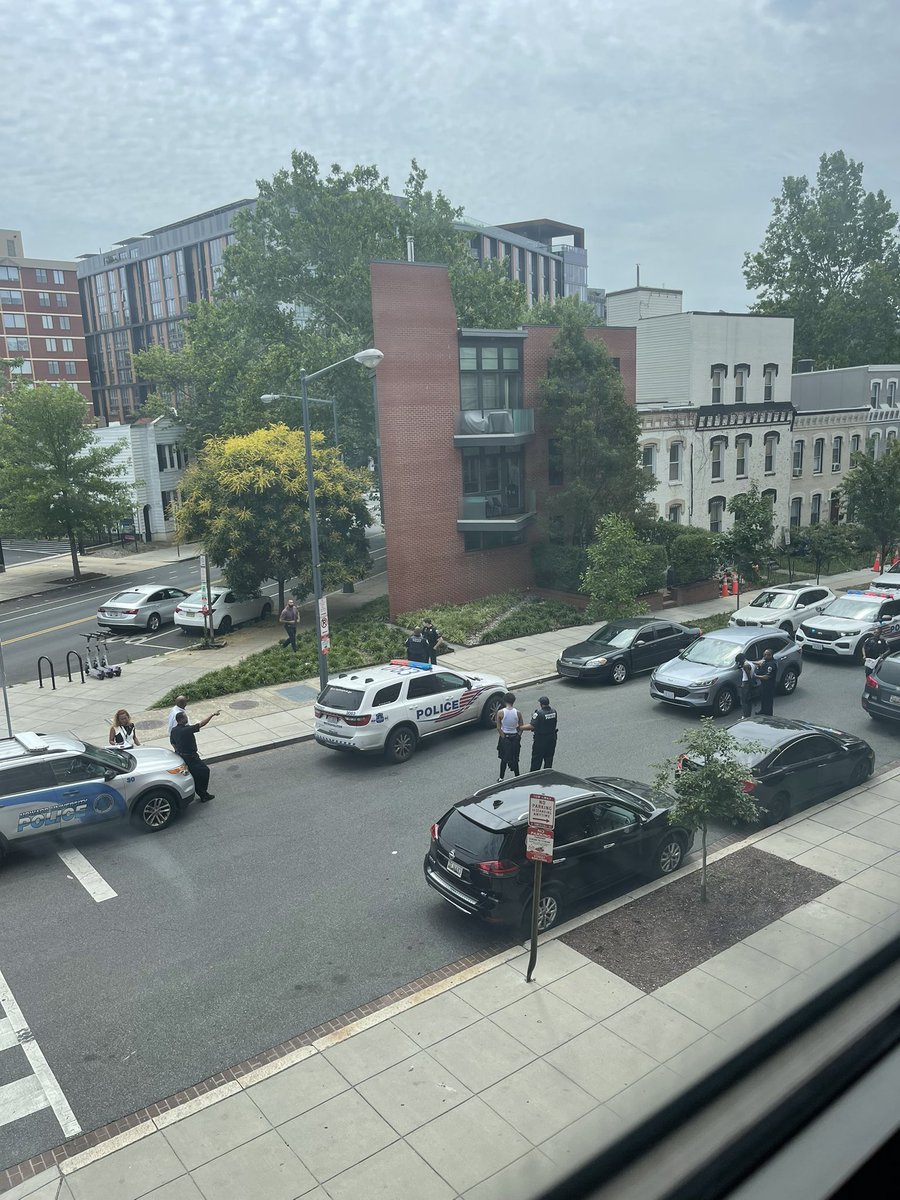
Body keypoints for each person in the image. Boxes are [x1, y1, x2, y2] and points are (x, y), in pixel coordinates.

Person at [170, 709, 220, 802]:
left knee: (194, 774)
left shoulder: (174, 730)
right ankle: (203, 794)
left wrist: (178, 751)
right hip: (191, 757)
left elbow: (172, 743)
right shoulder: (187, 730)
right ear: (180, 719)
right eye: (185, 717)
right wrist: (212, 715)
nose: (187, 718)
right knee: (204, 771)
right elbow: (201, 724)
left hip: (182, 756)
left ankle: (200, 792)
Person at [495, 693, 524, 781]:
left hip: (505, 737)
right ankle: (517, 776)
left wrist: (503, 737)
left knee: (504, 758)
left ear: (504, 700)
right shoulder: (518, 713)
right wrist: (518, 736)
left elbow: (498, 727)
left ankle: (501, 777)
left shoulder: (500, 713)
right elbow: (521, 726)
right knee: (515, 757)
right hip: (515, 737)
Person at [526, 695, 558, 771]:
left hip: (541, 740)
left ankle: (534, 776)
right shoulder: (554, 711)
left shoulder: (539, 713)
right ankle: (547, 776)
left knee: (536, 759)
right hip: (552, 738)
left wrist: (520, 727)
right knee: (549, 758)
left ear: (541, 704)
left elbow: (532, 726)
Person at [753, 649, 777, 716]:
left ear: (771, 655)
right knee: (763, 700)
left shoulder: (771, 665)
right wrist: (751, 662)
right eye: (764, 654)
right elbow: (758, 662)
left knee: (768, 701)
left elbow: (766, 677)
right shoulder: (765, 661)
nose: (765, 656)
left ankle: (768, 715)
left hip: (769, 686)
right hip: (763, 685)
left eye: (767, 655)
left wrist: (755, 676)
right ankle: (763, 711)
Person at [735, 654, 755, 719]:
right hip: (748, 683)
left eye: (738, 661)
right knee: (749, 700)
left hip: (746, 684)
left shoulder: (745, 665)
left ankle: (746, 716)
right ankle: (748, 715)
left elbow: (748, 676)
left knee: (744, 701)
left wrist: (747, 684)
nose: (738, 663)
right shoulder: (750, 663)